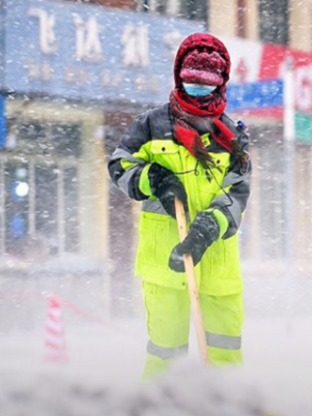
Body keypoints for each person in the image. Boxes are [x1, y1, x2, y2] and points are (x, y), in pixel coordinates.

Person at [108, 33, 251, 379]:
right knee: (165, 360)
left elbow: (237, 194)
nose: (196, 91)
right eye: (190, 82)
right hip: (165, 265)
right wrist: (153, 180)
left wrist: (207, 228)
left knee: (224, 359)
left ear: (221, 84)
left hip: (218, 268)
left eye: (206, 85)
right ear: (178, 77)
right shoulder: (151, 126)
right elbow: (119, 165)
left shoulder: (232, 137)